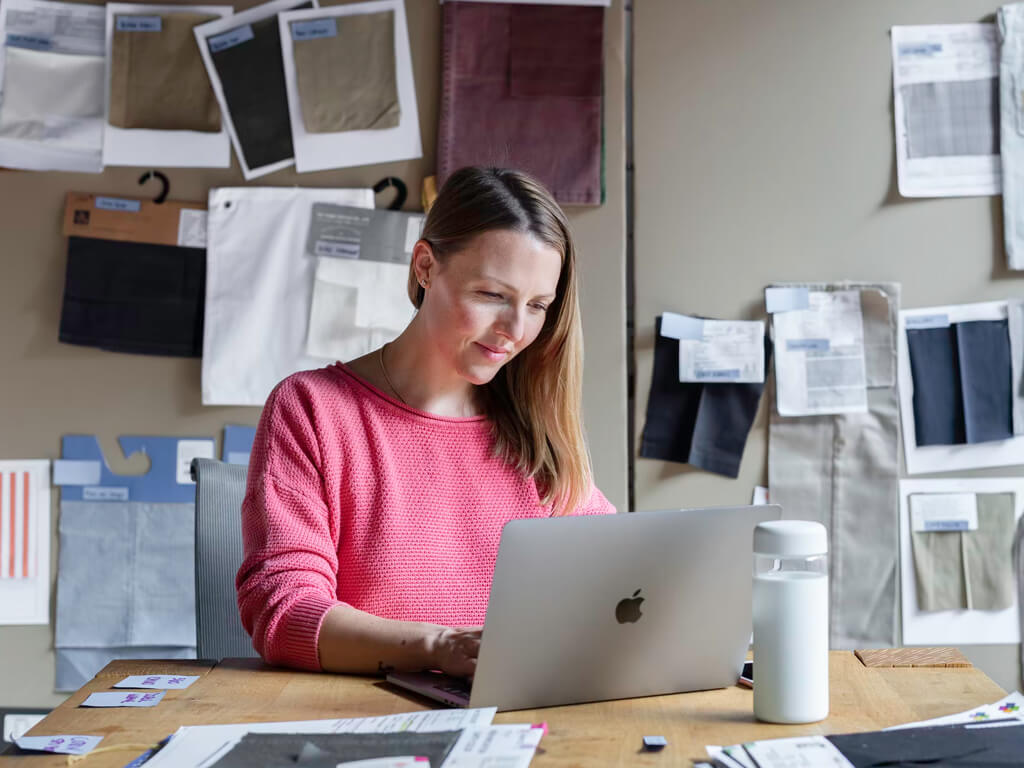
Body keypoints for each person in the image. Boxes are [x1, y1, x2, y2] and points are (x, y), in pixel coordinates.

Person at [237, 166, 616, 680]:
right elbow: (282, 614)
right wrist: (439, 647)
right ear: (425, 266)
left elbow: (618, 581)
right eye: (492, 295)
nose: (515, 330)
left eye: (537, 306)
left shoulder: (534, 434)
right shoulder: (312, 408)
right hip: (362, 722)